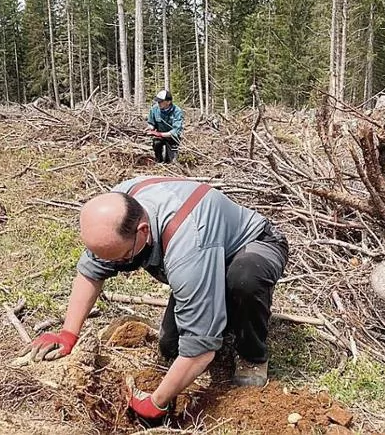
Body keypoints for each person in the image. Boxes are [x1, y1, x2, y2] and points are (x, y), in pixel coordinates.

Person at [24, 177, 289, 420]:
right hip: (200, 256)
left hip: (253, 245)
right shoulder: (116, 211)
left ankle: (253, 356)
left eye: (122, 257)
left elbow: (200, 352)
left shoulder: (188, 244)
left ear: (142, 230)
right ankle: (220, 308)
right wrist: (68, 333)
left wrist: (157, 402)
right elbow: (91, 273)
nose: (117, 265)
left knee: (244, 279)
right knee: (170, 347)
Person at [146, 90, 184, 163]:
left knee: (171, 161)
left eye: (160, 102)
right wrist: (150, 128)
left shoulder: (177, 111)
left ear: (168, 102)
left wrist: (160, 134)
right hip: (159, 137)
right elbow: (151, 123)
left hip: (172, 138)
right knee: (156, 143)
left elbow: (175, 131)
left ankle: (168, 161)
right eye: (158, 101)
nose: (158, 103)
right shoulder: (154, 109)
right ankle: (158, 161)